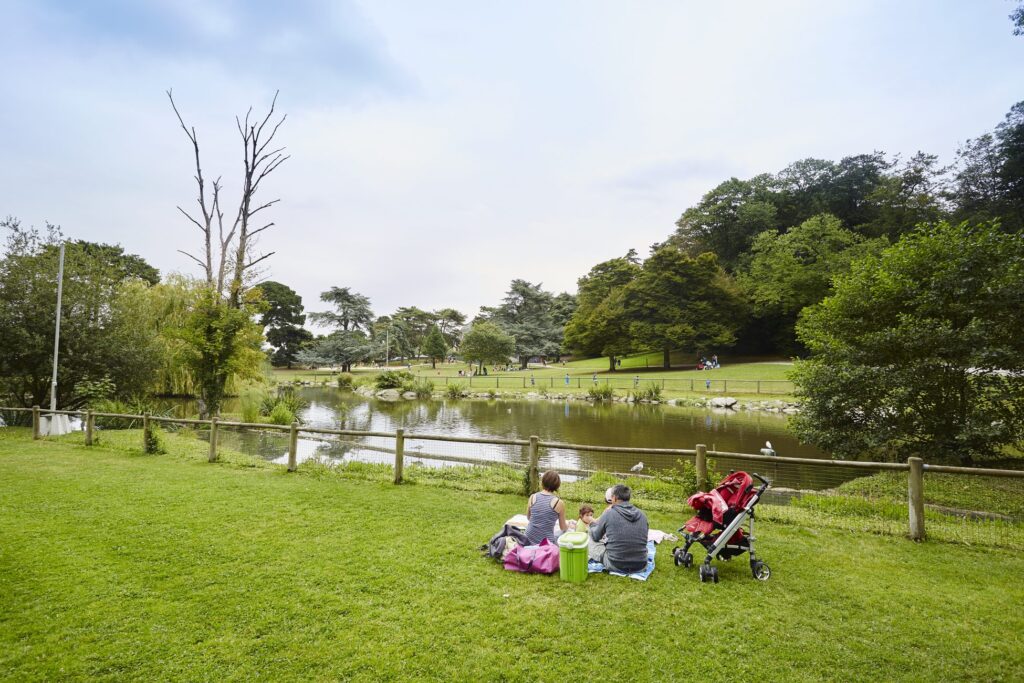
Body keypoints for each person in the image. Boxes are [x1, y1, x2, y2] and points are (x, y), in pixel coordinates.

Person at [588, 484, 649, 573]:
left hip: (615, 564)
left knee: (590, 538)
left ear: (614, 498)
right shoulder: (642, 515)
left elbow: (596, 536)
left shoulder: (609, 514)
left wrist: (592, 524)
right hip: (641, 565)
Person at [525, 470, 567, 545]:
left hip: (528, 538)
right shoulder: (559, 503)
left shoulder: (532, 497)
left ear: (543, 482)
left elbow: (528, 517)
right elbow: (563, 528)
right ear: (557, 485)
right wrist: (569, 526)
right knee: (566, 533)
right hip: (546, 544)